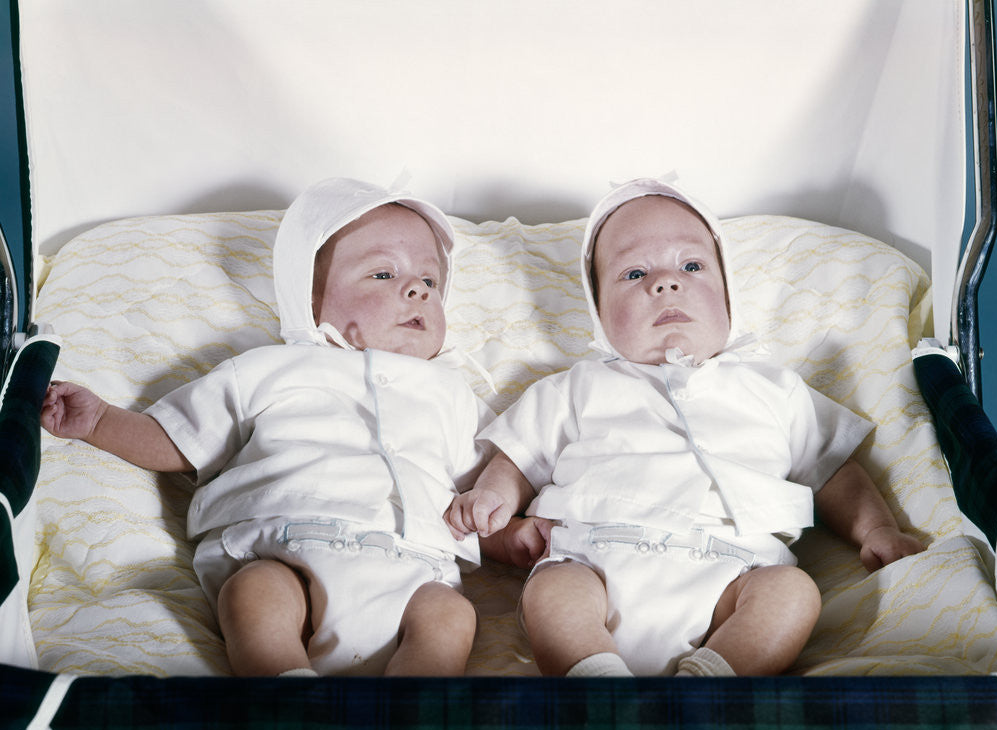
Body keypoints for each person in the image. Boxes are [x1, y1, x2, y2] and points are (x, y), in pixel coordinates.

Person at [41, 177, 533, 677]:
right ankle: (288, 698)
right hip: (284, 550)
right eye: (384, 274)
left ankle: (404, 720)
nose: (415, 289)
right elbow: (180, 440)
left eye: (429, 282)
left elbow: (487, 486)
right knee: (254, 594)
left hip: (412, 571)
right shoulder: (267, 369)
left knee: (451, 616)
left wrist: (507, 529)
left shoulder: (450, 394)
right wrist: (100, 421)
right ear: (311, 296)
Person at [445, 177, 924, 678]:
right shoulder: (577, 387)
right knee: (553, 593)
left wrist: (877, 529)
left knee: (793, 593)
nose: (665, 283)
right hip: (597, 562)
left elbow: (835, 472)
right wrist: (493, 497)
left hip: (737, 572)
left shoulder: (775, 388)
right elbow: (516, 458)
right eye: (634, 273)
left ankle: (711, 680)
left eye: (691, 266)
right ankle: (594, 675)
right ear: (599, 313)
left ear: (727, 292)